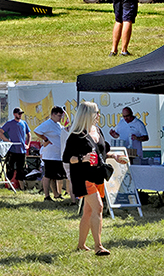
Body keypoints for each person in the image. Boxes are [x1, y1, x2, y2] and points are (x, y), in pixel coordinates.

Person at [63, 99, 127, 254]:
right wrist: (81, 159)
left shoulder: (97, 130)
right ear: (88, 114)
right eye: (96, 112)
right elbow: (66, 158)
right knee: (98, 207)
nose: (98, 115)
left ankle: (81, 245)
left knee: (88, 212)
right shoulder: (76, 135)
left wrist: (115, 156)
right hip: (83, 176)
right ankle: (98, 247)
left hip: (97, 175)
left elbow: (102, 153)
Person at [33, 106, 68, 201]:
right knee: (48, 176)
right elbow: (36, 131)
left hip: (57, 155)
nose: (60, 118)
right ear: (53, 114)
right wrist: (45, 139)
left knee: (53, 176)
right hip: (50, 155)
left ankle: (56, 194)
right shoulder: (48, 124)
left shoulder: (57, 124)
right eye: (59, 116)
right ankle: (46, 195)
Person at [0, 107, 30, 189]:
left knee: (21, 169)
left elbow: (29, 134)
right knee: (10, 168)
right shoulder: (10, 123)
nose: (20, 115)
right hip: (12, 150)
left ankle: (22, 187)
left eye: (21, 113)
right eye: (19, 113)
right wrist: (7, 141)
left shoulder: (24, 123)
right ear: (14, 114)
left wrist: (28, 144)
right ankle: (8, 185)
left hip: (22, 151)